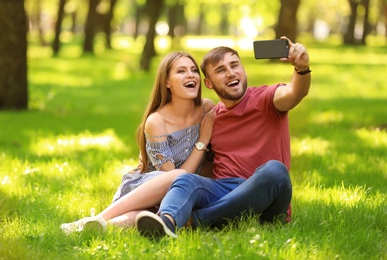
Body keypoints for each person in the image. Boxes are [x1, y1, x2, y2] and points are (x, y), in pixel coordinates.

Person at [135, 36, 311, 239]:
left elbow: (295, 92)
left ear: (243, 71)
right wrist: (148, 156)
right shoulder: (211, 118)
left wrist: (302, 69)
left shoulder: (266, 99)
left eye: (235, 65)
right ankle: (167, 222)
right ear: (208, 84)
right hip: (224, 190)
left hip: (266, 196)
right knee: (186, 180)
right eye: (221, 70)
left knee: (275, 171)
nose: (231, 73)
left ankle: (195, 220)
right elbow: (184, 151)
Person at [60, 51, 215, 234]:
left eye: (193, 70)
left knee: (148, 217)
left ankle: (95, 228)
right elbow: (176, 182)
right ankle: (98, 217)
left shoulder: (207, 108)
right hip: (148, 187)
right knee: (176, 183)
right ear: (167, 82)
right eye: (181, 71)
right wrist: (202, 141)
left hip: (174, 197)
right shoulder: (157, 121)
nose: (190, 75)